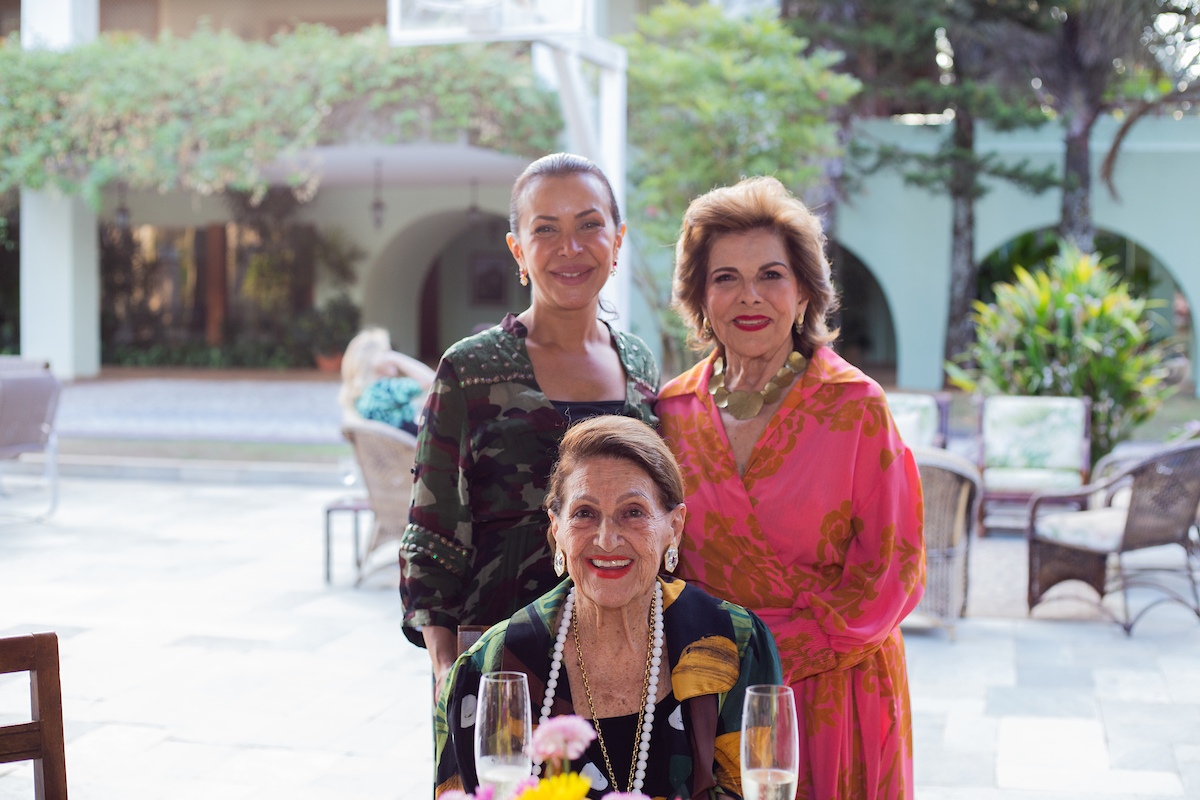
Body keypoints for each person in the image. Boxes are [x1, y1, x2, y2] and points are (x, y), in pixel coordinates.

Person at [656, 177, 925, 800]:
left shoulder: (856, 407)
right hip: (711, 694)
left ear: (804, 290)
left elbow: (896, 572)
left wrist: (765, 655)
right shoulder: (671, 410)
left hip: (836, 693)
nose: (750, 297)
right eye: (725, 278)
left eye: (771, 275)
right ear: (700, 296)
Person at [400, 154, 660, 699]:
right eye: (546, 229)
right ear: (518, 250)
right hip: (500, 661)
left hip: (628, 658)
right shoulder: (469, 370)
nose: (570, 247)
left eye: (590, 224)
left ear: (617, 241)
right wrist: (448, 671)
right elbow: (433, 529)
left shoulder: (639, 366)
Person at [434, 416, 781, 799]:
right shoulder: (491, 668)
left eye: (633, 512)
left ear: (674, 526)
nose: (607, 539)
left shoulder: (734, 643)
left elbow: (759, 789)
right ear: (557, 528)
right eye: (584, 513)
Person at [338, 327, 436, 434]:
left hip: (395, 448)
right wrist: (397, 358)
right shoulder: (385, 390)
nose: (390, 355)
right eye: (388, 351)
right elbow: (434, 381)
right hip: (408, 449)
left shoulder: (360, 394)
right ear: (377, 359)